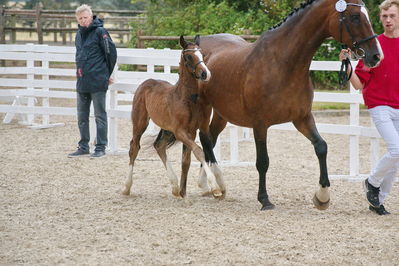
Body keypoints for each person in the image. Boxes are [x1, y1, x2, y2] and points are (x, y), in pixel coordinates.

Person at [339, 0, 399, 215]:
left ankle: (378, 201)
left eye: (392, 15)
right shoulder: (374, 47)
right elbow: (358, 84)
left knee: (395, 159)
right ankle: (372, 182)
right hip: (379, 105)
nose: (388, 20)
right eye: (384, 16)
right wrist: (347, 65)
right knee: (397, 149)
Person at [68, 4, 117, 158]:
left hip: (98, 81)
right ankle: (83, 146)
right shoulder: (78, 34)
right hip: (82, 82)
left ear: (91, 16)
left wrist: (106, 74)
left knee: (100, 115)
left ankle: (100, 147)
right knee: (82, 116)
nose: (83, 20)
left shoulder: (100, 32)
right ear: (77, 19)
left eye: (86, 17)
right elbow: (79, 57)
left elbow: (111, 54)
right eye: (80, 18)